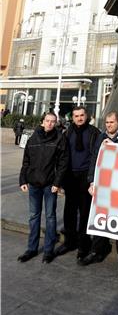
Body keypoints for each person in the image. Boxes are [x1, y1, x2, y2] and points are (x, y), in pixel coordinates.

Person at [80, 112, 118, 272]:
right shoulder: (101, 136)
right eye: (107, 123)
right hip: (103, 185)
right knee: (100, 219)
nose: (109, 125)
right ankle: (97, 250)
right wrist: (92, 181)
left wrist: (111, 144)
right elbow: (94, 159)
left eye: (112, 122)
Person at [18, 112, 68, 263]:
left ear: (56, 123)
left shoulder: (60, 138)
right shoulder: (33, 138)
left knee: (50, 217)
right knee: (34, 216)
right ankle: (31, 249)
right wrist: (23, 180)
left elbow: (63, 163)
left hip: (50, 185)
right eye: (47, 121)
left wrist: (57, 183)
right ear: (42, 122)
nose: (50, 124)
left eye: (53, 121)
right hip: (33, 183)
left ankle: (48, 251)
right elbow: (26, 161)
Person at [55, 106, 100, 261]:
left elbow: (100, 154)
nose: (79, 118)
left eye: (82, 115)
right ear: (72, 117)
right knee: (69, 211)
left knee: (85, 212)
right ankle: (69, 242)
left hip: (86, 177)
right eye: (76, 116)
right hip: (70, 176)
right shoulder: (67, 133)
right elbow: (60, 156)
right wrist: (59, 180)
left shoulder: (94, 132)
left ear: (86, 116)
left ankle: (83, 245)